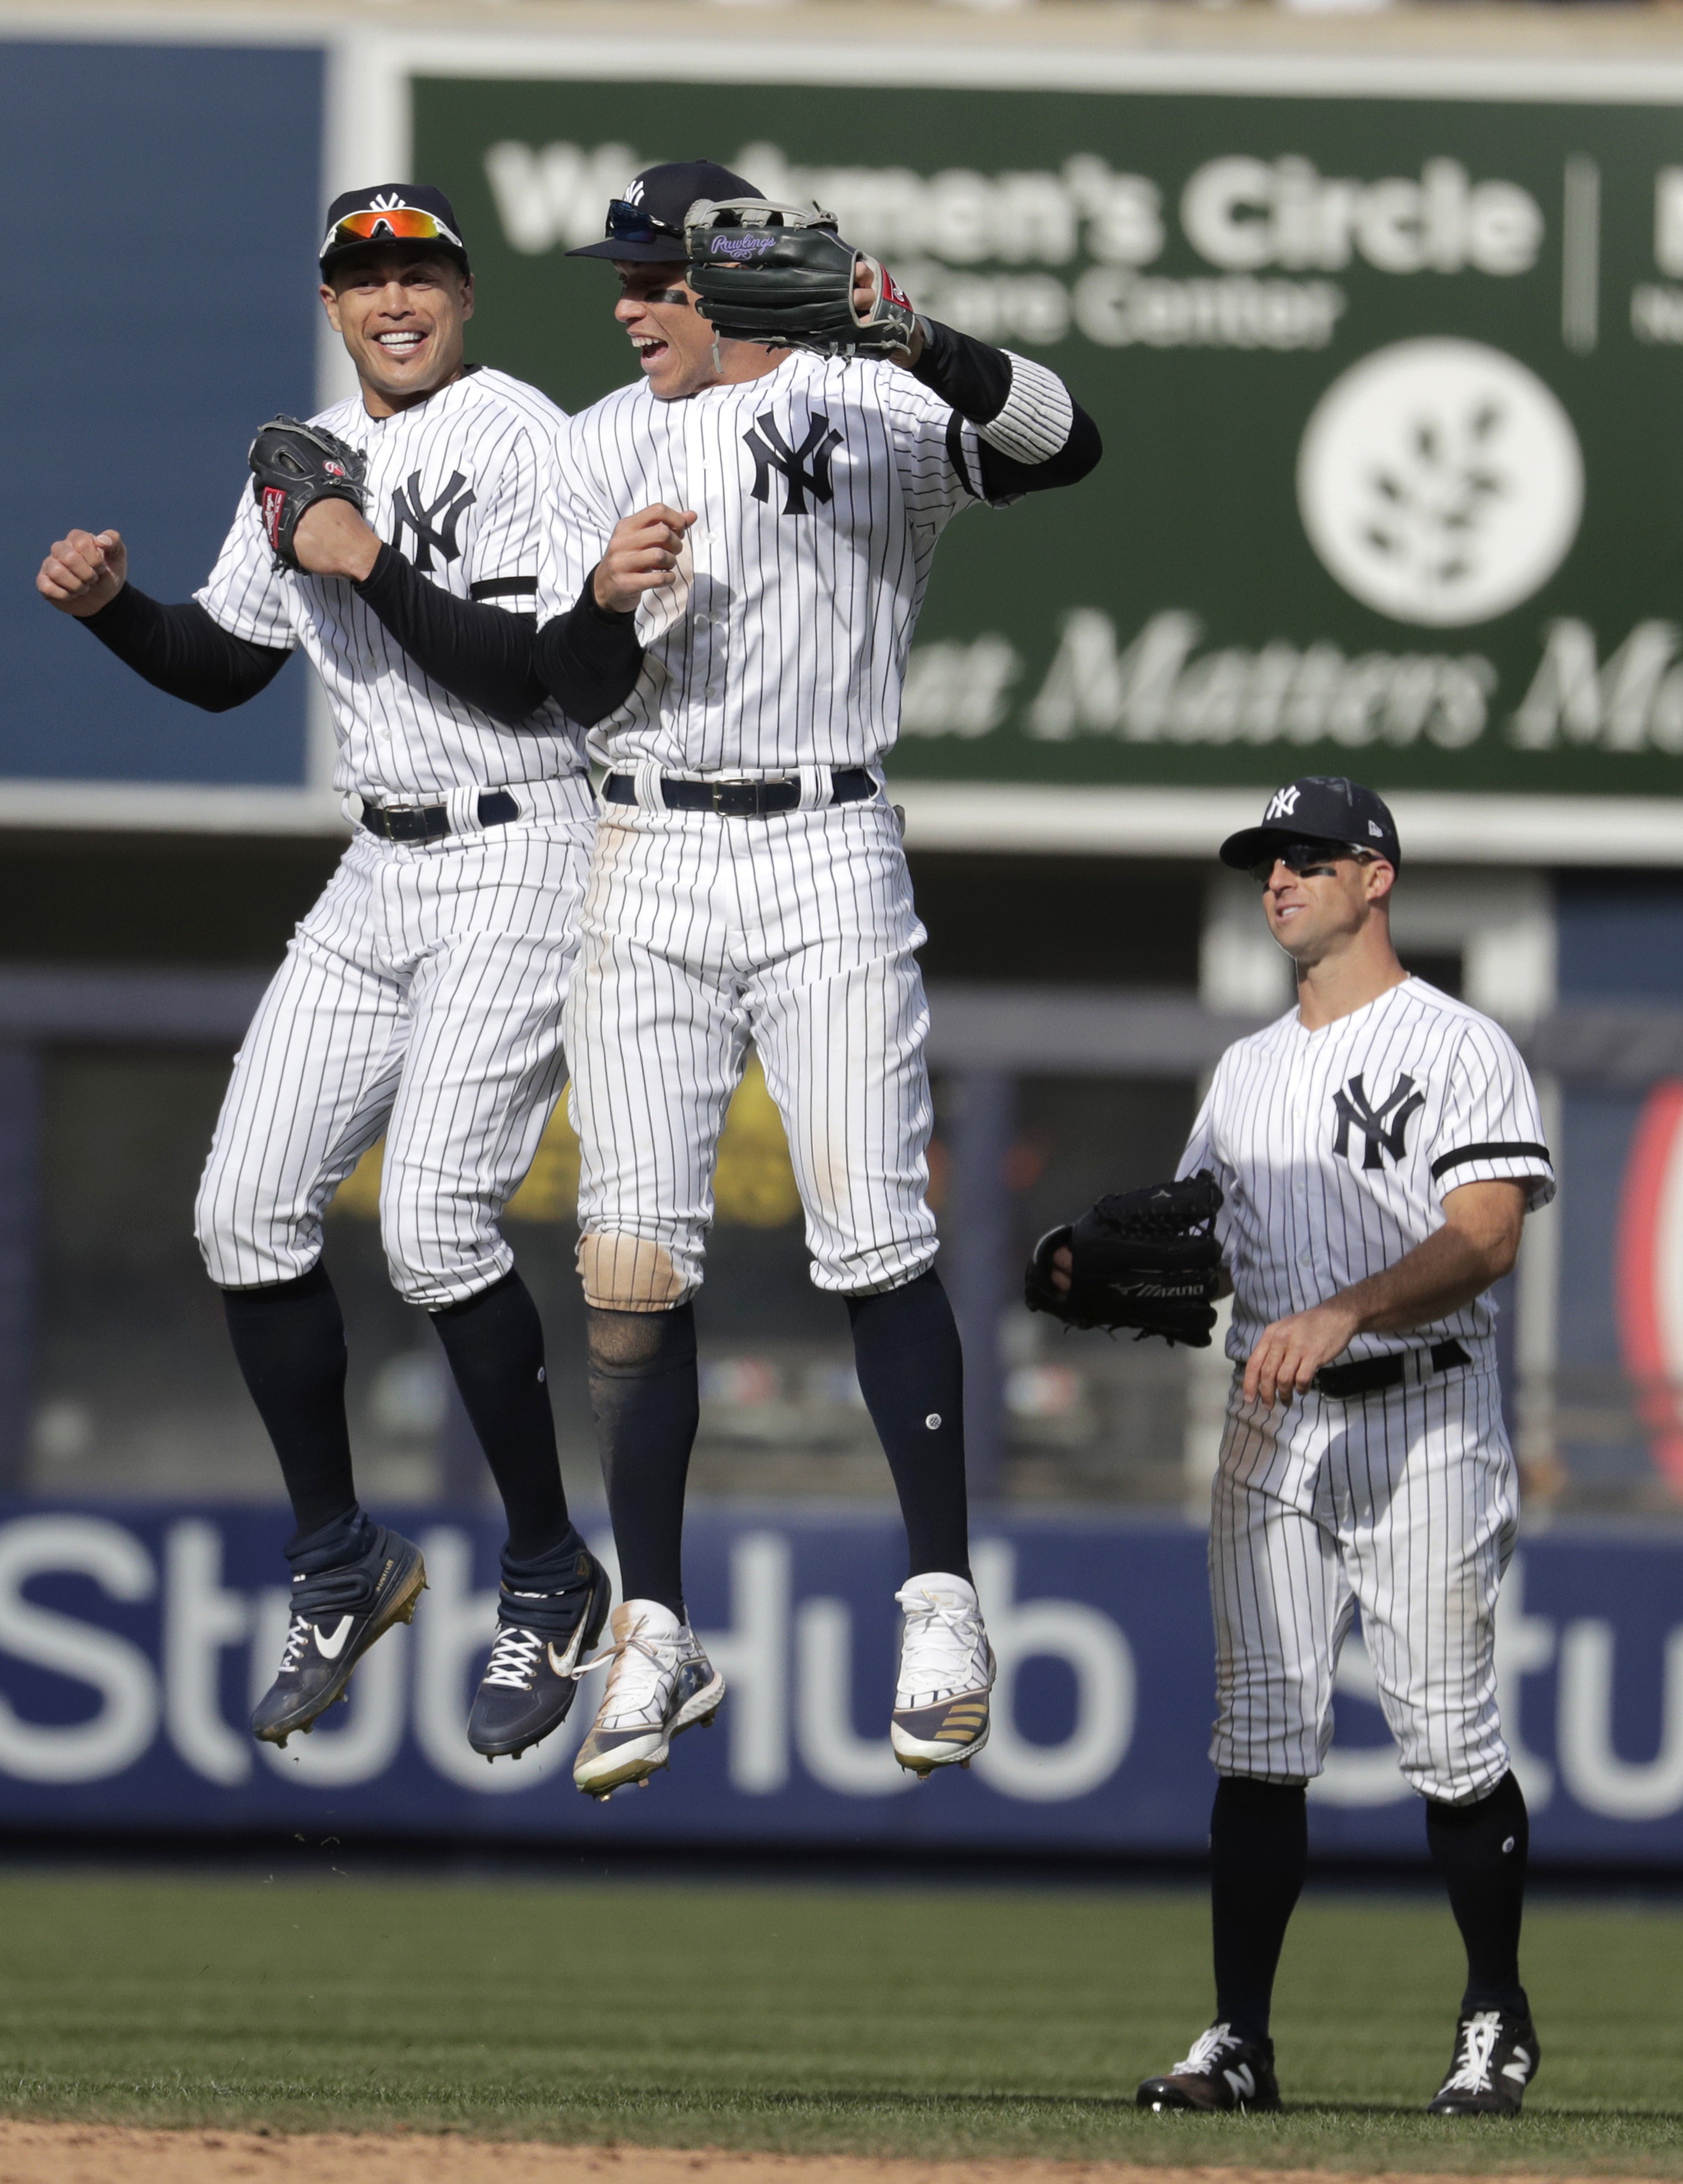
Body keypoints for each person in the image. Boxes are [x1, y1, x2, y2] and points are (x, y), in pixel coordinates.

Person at [330, 155, 1102, 1797]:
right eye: (618, 282)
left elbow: (1065, 439)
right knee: (629, 1260)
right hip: (646, 841)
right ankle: (657, 1626)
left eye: (657, 282)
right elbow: (555, 680)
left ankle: (942, 1595)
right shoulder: (600, 442)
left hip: (824, 829)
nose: (626, 309)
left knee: (870, 1225)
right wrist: (604, 604)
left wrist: (912, 327)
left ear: (739, 280)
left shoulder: (871, 396)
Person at [34, 184, 680, 1762]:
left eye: (418, 272)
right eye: (361, 277)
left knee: (435, 1215)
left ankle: (547, 1572)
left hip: (525, 832)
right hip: (379, 855)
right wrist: (119, 613)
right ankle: (340, 1552)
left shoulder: (523, 432)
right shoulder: (301, 449)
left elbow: (537, 675)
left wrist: (361, 548)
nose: (392, 298)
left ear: (463, 291)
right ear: (330, 302)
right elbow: (225, 666)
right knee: (241, 1210)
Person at [1095, 776, 1552, 2117]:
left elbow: (1487, 1237)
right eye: (1265, 861)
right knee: (1261, 1739)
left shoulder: (1459, 1042)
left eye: (1305, 856)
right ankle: (1240, 2038)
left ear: (1376, 876)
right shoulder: (1244, 1070)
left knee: (1450, 1739)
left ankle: (1494, 2014)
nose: (1277, 878)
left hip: (1423, 1408)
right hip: (1271, 1421)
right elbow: (1194, 1245)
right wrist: (1087, 1266)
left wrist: (1343, 1307)